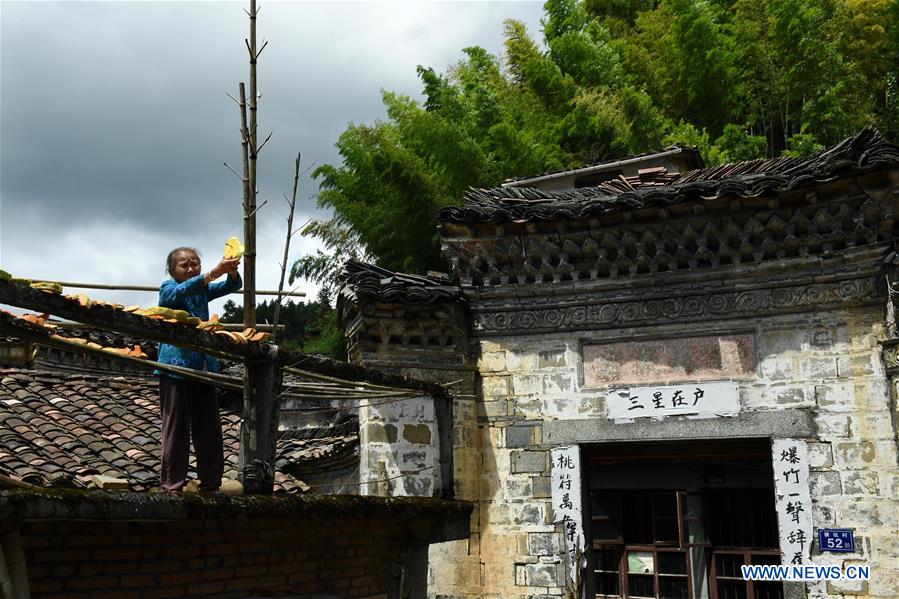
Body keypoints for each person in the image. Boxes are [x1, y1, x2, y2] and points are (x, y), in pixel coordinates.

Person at [156, 247, 241, 493]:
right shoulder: (168, 288)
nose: (191, 268)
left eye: (195, 263)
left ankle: (211, 483)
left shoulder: (202, 289)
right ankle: (173, 485)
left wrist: (231, 272)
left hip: (204, 367)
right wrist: (212, 273)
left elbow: (229, 287)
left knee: (209, 427)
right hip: (176, 366)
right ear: (172, 270)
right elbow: (177, 294)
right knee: (177, 427)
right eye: (184, 265)